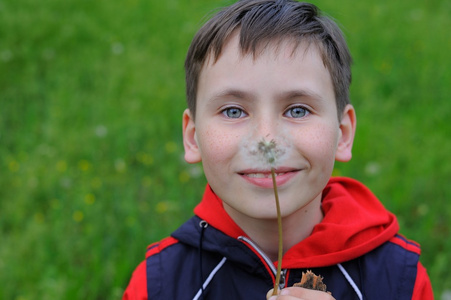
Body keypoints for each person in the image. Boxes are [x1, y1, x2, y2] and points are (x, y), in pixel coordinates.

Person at [123, 0, 434, 299]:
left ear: (343, 134)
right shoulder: (158, 285)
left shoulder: (398, 280)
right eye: (233, 111)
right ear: (192, 138)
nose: (266, 139)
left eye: (297, 110)